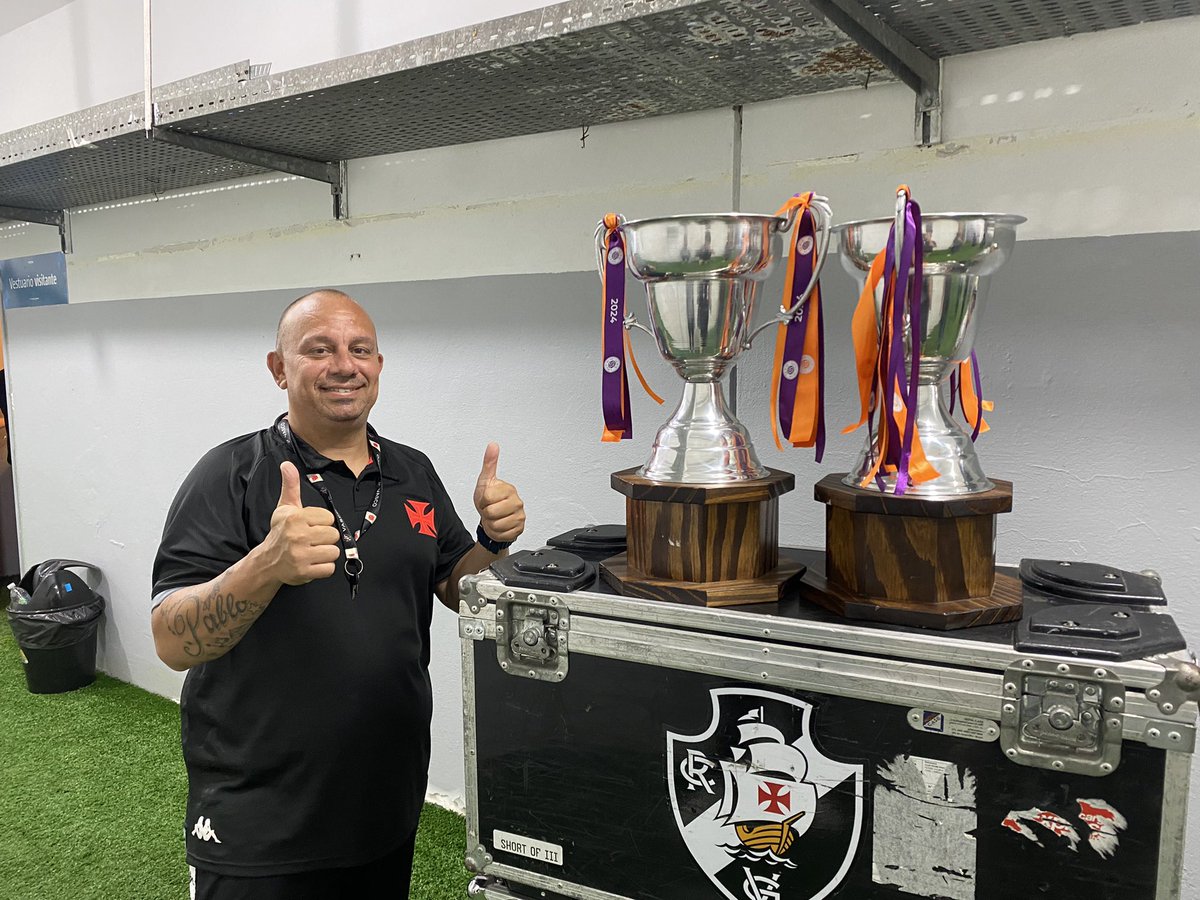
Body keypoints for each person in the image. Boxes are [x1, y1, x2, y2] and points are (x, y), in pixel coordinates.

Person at [151, 289, 525, 899]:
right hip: (258, 816)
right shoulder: (231, 474)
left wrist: (492, 539)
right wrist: (266, 565)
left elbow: (459, 586)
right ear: (279, 368)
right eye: (319, 350)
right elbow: (171, 640)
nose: (345, 366)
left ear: (379, 365)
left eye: (360, 350)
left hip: (383, 798)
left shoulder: (412, 471)